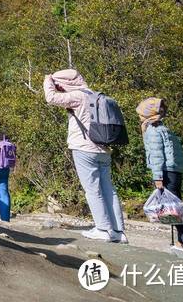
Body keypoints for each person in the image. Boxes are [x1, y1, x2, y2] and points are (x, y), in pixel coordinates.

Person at [44, 70, 127, 243]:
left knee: (92, 190)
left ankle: (103, 229)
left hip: (84, 149)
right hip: (104, 150)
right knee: (109, 190)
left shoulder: (77, 96)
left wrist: (48, 79)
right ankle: (119, 232)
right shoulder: (95, 95)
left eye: (60, 85)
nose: (60, 88)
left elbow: (50, 98)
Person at [137, 97, 183, 260]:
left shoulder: (152, 130)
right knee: (174, 206)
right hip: (175, 171)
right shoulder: (163, 128)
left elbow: (157, 156)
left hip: (165, 172)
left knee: (173, 210)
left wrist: (157, 178)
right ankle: (180, 242)